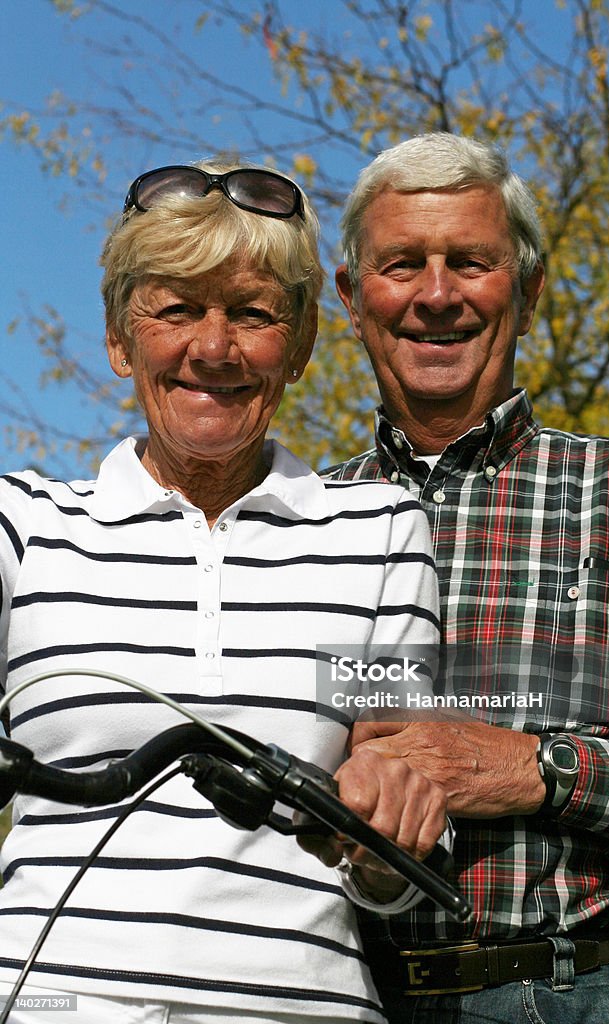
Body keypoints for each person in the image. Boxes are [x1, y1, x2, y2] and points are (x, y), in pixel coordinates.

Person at [0, 160, 449, 1024]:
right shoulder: (26, 525)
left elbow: (392, 794)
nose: (212, 348)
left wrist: (395, 835)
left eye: (251, 313)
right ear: (118, 338)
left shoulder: (378, 531)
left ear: (305, 343)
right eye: (175, 309)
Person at [326, 133, 609, 1024]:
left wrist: (540, 771)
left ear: (531, 291)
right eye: (402, 265)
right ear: (352, 298)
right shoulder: (301, 523)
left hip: (578, 988)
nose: (437, 295)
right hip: (341, 995)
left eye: (471, 261)